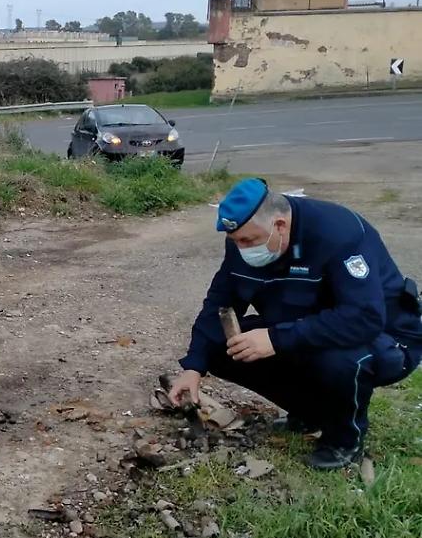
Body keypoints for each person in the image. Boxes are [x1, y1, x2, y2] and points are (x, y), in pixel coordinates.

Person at [169, 178, 422, 469]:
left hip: (386, 338)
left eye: (248, 241)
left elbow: (364, 318)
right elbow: (219, 303)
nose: (243, 248)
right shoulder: (245, 241)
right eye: (235, 241)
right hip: (304, 329)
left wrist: (276, 339)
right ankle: (310, 412)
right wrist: (193, 367)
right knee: (224, 347)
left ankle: (344, 438)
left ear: (279, 225)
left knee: (341, 358)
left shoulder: (338, 234)